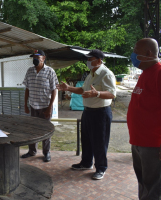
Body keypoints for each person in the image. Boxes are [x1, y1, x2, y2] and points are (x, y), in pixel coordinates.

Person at [127, 38, 161, 200]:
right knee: (144, 183)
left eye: (136, 51)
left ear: (148, 53)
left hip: (153, 144)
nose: (133, 54)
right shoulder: (145, 73)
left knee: (153, 188)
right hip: (138, 142)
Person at [56, 49, 116, 180]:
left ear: (99, 60)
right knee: (87, 139)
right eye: (88, 60)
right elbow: (83, 90)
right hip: (88, 111)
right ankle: (86, 163)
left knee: (100, 142)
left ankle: (101, 168)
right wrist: (68, 88)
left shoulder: (106, 74)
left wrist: (97, 94)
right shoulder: (90, 74)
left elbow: (112, 93)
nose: (88, 62)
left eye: (90, 59)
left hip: (101, 113)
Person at [21, 49, 58, 162]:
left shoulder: (50, 71)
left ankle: (46, 153)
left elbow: (54, 90)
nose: (35, 59)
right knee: (32, 130)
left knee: (45, 131)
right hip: (33, 106)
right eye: (34, 57)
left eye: (37, 57)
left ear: (43, 58)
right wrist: (26, 105)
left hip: (45, 107)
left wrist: (50, 107)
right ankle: (32, 151)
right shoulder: (29, 71)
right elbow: (27, 89)